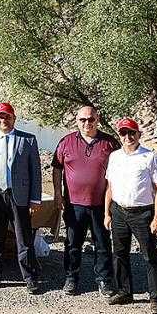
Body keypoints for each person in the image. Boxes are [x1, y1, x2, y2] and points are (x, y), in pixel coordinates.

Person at [0, 103, 43, 294]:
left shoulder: (28, 140)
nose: (3, 120)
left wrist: (35, 199)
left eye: (7, 117)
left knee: (24, 238)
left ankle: (30, 277)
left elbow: (35, 171)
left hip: (18, 195)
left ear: (14, 118)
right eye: (0, 117)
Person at [52, 106, 119, 297]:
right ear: (77, 120)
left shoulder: (110, 143)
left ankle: (104, 280)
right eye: (83, 120)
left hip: (101, 204)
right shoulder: (66, 142)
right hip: (74, 204)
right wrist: (58, 193)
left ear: (97, 119)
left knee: (103, 243)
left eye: (90, 119)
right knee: (73, 243)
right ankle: (71, 278)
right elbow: (57, 168)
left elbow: (120, 170)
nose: (87, 123)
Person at [104, 118, 157, 314]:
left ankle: (155, 298)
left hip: (143, 213)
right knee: (119, 253)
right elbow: (109, 187)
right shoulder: (114, 156)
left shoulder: (150, 157)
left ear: (139, 134)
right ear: (119, 136)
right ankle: (124, 292)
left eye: (132, 133)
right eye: (123, 133)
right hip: (119, 211)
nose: (128, 137)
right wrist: (107, 213)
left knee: (150, 256)